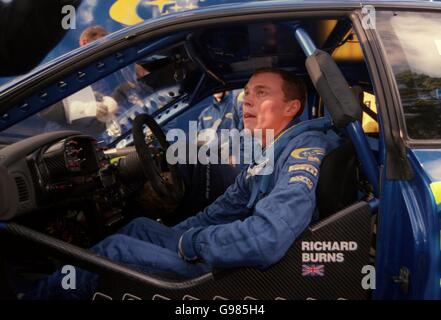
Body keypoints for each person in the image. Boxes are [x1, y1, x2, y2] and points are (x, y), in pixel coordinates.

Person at [26, 68, 339, 299]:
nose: (246, 101)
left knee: (114, 249)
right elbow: (221, 210)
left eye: (262, 93)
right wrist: (175, 236)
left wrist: (192, 244)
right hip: (234, 255)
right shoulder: (268, 151)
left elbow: (268, 237)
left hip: (247, 275)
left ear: (291, 108)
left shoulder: (302, 148)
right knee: (140, 228)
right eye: (246, 92)